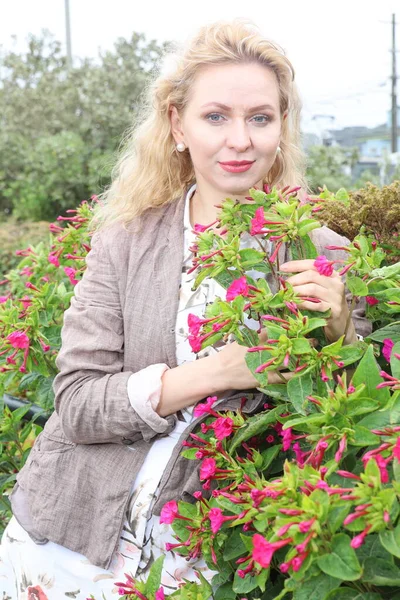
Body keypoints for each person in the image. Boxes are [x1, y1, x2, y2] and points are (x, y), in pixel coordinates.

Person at [0, 19, 371, 599]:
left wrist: (343, 328)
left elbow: (356, 418)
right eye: (216, 116)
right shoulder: (126, 239)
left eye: (260, 118)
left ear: (281, 128)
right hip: (67, 540)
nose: (241, 140)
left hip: (201, 559)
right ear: (178, 125)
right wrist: (213, 374)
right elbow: (76, 403)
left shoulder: (320, 251)